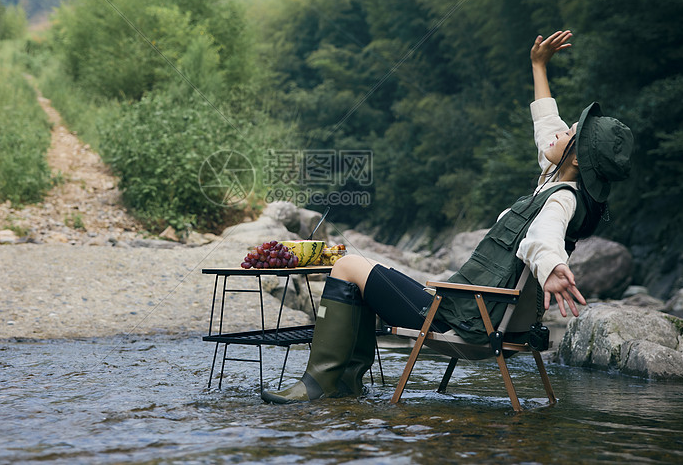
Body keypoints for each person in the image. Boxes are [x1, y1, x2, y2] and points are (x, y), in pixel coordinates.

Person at [262, 30, 635, 404]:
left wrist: (552, 266)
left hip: (459, 321)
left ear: (576, 158)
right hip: (479, 316)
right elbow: (546, 129)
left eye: (569, 132)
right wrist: (539, 66)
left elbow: (544, 235)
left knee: (346, 266)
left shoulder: (559, 201)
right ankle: (342, 382)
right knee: (362, 267)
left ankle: (320, 383)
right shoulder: (559, 183)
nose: (559, 132)